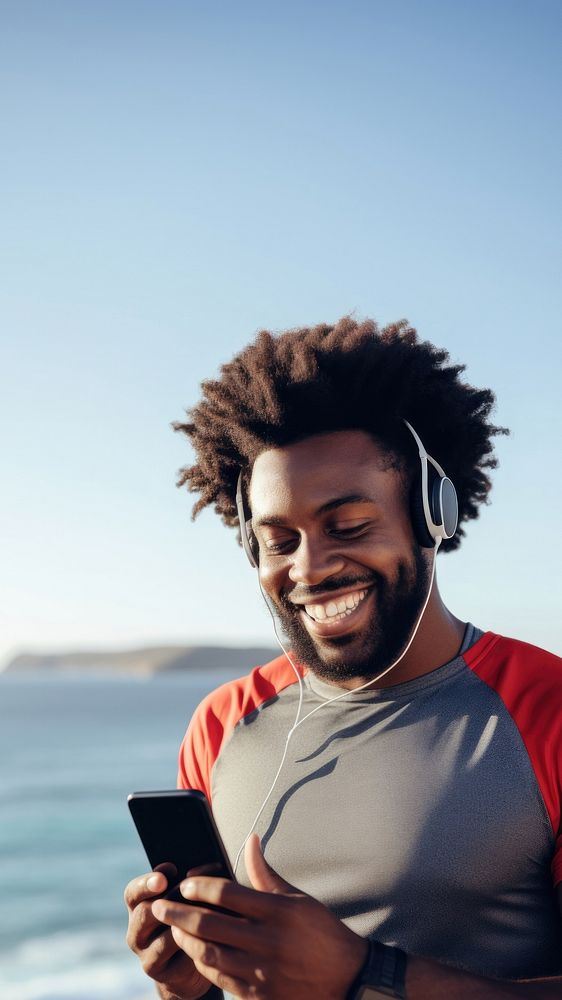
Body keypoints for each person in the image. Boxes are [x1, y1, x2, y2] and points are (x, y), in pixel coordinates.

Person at [125, 317, 562, 999]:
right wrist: (190, 985)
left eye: (349, 527)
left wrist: (366, 977)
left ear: (430, 517)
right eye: (278, 541)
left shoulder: (546, 709)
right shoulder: (222, 724)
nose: (310, 568)